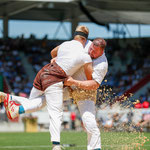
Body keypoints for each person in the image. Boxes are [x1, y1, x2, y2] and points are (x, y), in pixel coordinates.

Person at [0, 38, 108, 150]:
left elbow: (94, 85)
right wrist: (60, 59)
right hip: (68, 85)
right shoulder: (84, 44)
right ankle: (13, 103)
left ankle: (95, 148)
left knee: (88, 121)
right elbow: (56, 50)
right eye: (90, 49)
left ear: (102, 51)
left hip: (85, 92)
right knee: (44, 100)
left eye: (95, 52)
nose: (91, 52)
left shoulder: (102, 64)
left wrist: (74, 82)